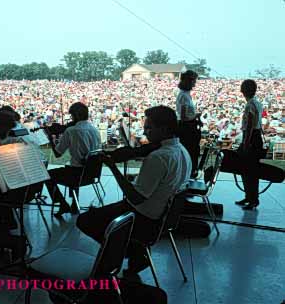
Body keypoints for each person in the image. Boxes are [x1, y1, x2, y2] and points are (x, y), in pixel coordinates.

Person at [76, 106, 191, 278]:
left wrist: (113, 168)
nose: (145, 132)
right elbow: (162, 184)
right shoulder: (182, 150)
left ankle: (129, 251)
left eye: (149, 128)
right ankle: (133, 253)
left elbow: (136, 198)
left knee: (85, 220)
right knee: (99, 214)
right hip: (163, 217)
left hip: (144, 218)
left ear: (165, 129)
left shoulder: (158, 157)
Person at [44, 102, 102, 218]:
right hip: (92, 173)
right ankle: (74, 204)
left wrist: (50, 138)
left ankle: (62, 203)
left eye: (72, 116)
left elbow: (58, 154)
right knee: (72, 167)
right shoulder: (95, 129)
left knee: (47, 175)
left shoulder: (71, 131)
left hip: (77, 175)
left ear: (77, 116)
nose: (71, 119)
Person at [235, 80, 263, 210]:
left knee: (249, 170)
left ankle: (253, 199)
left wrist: (246, 142)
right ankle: (249, 197)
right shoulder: (256, 103)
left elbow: (250, 125)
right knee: (247, 169)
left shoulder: (250, 104)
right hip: (255, 137)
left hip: (251, 138)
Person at [176, 70, 201, 177]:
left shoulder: (186, 95)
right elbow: (184, 117)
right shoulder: (184, 96)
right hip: (187, 129)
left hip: (189, 127)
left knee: (193, 152)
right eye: (194, 81)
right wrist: (196, 115)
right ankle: (188, 174)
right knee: (190, 152)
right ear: (189, 81)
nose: (195, 84)